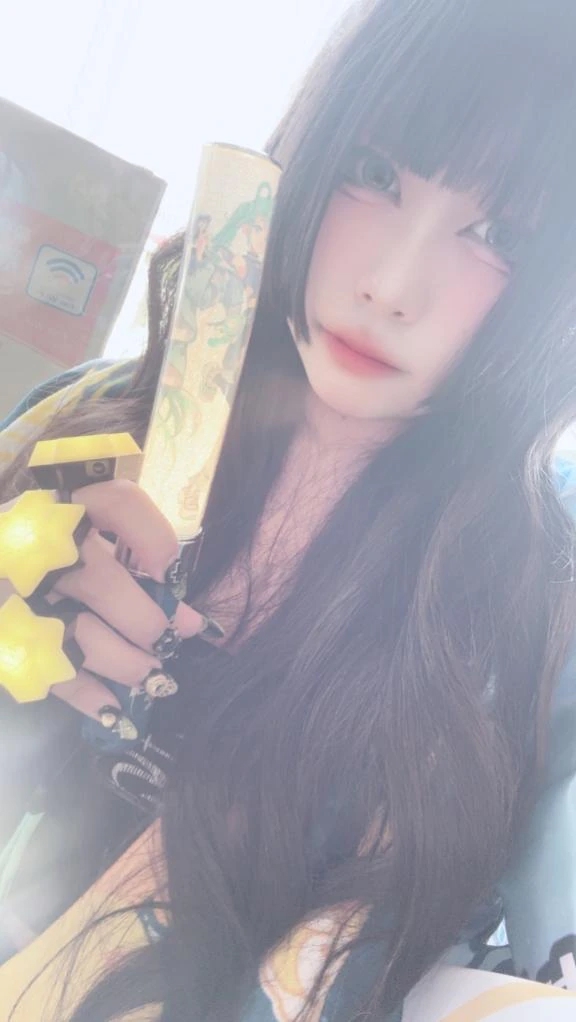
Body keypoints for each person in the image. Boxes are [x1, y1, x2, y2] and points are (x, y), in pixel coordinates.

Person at [1, 0, 576, 1018]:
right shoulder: (83, 423)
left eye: (496, 236)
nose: (390, 286)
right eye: (372, 172)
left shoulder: (539, 613)